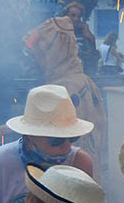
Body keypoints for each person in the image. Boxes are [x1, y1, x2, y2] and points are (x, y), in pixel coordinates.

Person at [24, 14, 107, 166]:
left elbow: (48, 129)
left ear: (54, 51)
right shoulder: (82, 79)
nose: (38, 58)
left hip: (70, 171)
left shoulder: (66, 87)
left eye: (41, 53)